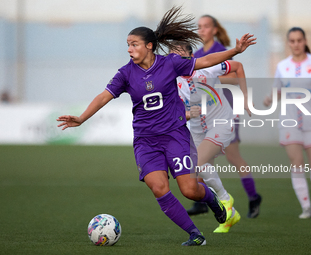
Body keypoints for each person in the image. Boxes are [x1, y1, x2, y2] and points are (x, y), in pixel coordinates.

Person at [57, 6, 256, 246]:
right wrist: (81, 118)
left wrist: (235, 50)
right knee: (159, 188)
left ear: (149, 45)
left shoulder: (170, 63)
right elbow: (103, 97)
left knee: (190, 191)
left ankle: (214, 202)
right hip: (145, 141)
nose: (129, 49)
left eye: (134, 44)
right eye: (128, 45)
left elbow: (203, 61)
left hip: (175, 136)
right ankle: (195, 234)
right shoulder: (125, 73)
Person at [187, 14, 262, 219]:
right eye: (199, 27)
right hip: (205, 116)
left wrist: (210, 79)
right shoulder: (197, 54)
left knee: (232, 156)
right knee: (205, 159)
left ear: (214, 30)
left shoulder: (219, 51)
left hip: (226, 109)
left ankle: (253, 196)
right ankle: (204, 201)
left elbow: (234, 77)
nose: (201, 30)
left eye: (206, 26)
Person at [172, 41, 250, 233]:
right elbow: (173, 109)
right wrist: (188, 114)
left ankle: (224, 198)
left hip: (222, 123)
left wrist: (246, 97)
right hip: (197, 129)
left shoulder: (206, 69)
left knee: (196, 162)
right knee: (198, 170)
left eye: (180, 55)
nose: (176, 60)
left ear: (191, 57)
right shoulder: (172, 81)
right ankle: (229, 217)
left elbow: (238, 66)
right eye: (172, 56)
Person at [264, 27, 311, 219]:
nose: (296, 44)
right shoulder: (282, 66)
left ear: (304, 41)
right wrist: (269, 99)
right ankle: (306, 207)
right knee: (297, 163)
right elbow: (277, 92)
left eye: (299, 40)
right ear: (288, 43)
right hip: (289, 122)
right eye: (292, 41)